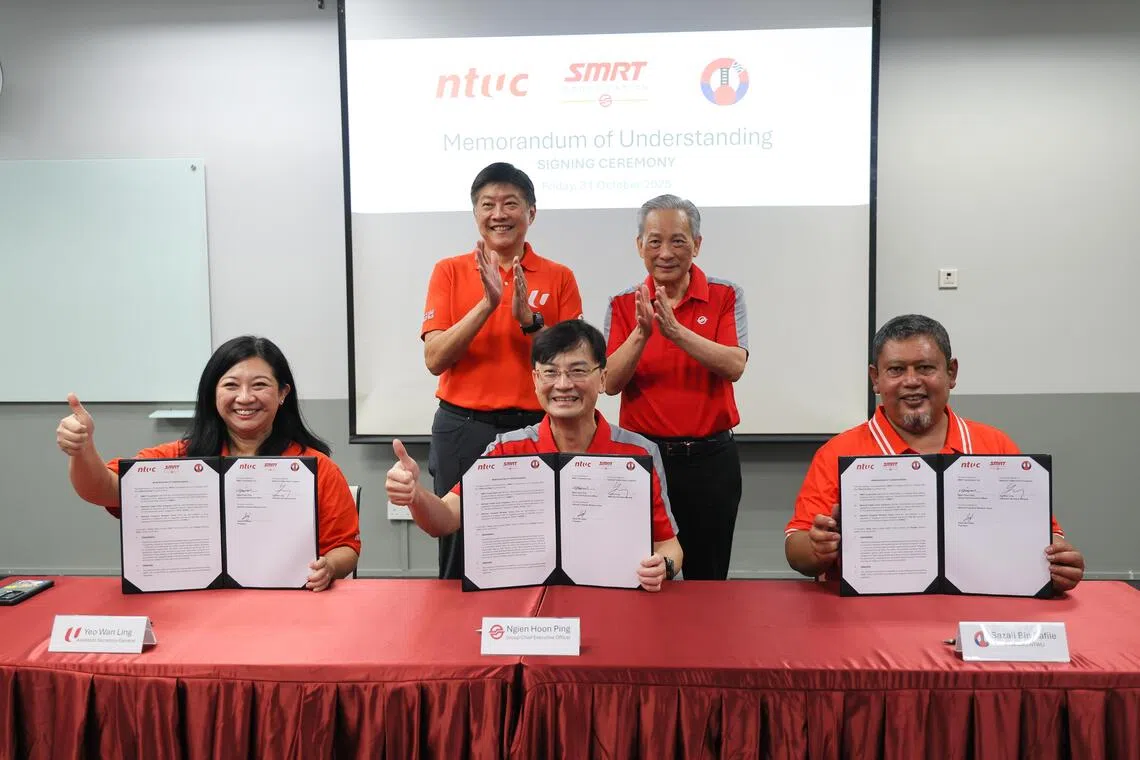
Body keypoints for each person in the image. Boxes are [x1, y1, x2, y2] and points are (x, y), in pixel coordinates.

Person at [785, 314, 1085, 593]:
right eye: (896, 370)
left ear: (951, 373)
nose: (912, 381)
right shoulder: (837, 452)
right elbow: (795, 549)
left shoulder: (996, 446)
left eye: (926, 367)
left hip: (977, 612)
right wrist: (817, 546)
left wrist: (1059, 562)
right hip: (866, 621)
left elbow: (1047, 537)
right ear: (875, 379)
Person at [388, 319, 682, 591]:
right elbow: (445, 520)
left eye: (578, 371)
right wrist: (415, 495)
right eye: (550, 372)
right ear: (535, 379)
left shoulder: (638, 453)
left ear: (603, 378)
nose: (563, 384)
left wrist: (663, 566)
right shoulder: (506, 451)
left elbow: (670, 546)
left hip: (614, 601)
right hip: (524, 610)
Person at [56, 335, 360, 591]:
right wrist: (82, 450)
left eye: (259, 385)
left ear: (282, 393)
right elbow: (102, 490)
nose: (244, 397)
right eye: (230, 385)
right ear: (212, 393)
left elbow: (346, 548)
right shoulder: (176, 459)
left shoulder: (315, 468)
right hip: (186, 609)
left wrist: (329, 567)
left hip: (288, 607)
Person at [421, 162, 583, 579]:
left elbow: (571, 366)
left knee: (537, 547)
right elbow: (435, 358)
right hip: (463, 428)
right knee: (460, 551)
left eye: (510, 203)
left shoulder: (560, 276)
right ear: (475, 213)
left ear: (531, 212)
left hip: (536, 428)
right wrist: (486, 305)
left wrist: (530, 321)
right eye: (487, 204)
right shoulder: (449, 271)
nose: (499, 214)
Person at [603, 194, 747, 580]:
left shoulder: (725, 295)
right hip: (643, 460)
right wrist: (641, 334)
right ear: (639, 247)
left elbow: (735, 365)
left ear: (697, 245)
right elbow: (609, 383)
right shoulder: (622, 304)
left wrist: (675, 332)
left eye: (678, 240)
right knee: (641, 574)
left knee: (708, 577)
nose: (665, 252)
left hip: (710, 462)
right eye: (654, 241)